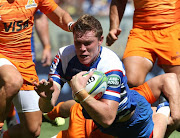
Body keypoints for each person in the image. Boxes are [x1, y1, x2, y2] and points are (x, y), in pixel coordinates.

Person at [34, 14, 180, 138]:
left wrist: (79, 90)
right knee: (78, 109)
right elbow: (47, 106)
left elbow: (107, 118)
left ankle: (163, 109)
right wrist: (45, 98)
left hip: (133, 121)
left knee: (166, 120)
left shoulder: (110, 65)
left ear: (100, 40)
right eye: (78, 43)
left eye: (88, 43)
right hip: (102, 120)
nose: (82, 49)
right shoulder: (64, 57)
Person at [0, 0, 75, 137]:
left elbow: (59, 15)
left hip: (24, 62)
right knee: (13, 81)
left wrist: (73, 26)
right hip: (2, 55)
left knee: (32, 130)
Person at [106, 0, 180, 88]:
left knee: (177, 82)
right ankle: (160, 92)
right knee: (131, 80)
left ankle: (163, 93)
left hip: (172, 29)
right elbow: (119, 1)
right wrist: (114, 27)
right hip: (141, 32)